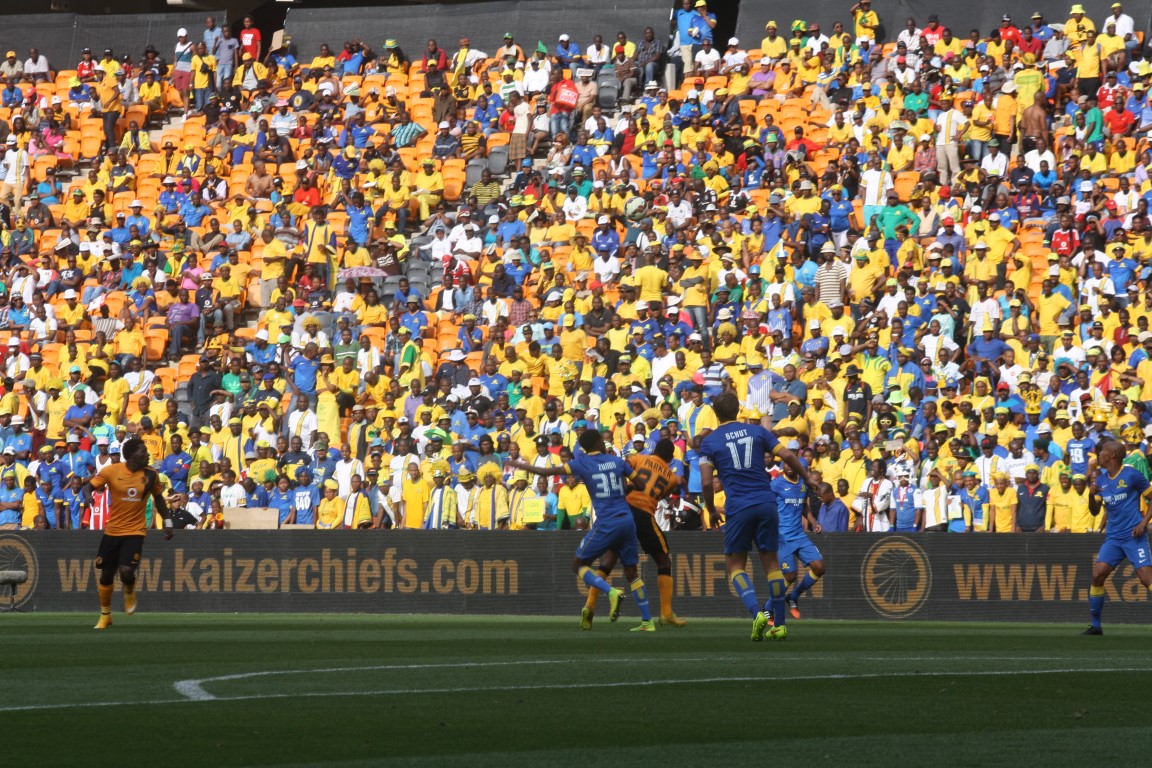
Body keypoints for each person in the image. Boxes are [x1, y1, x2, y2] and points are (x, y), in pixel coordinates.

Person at [512, 427, 656, 632]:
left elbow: (545, 472)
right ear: (598, 443)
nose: (604, 443)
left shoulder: (581, 463)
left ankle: (611, 592)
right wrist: (624, 489)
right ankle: (647, 621)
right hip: (627, 521)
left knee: (578, 563)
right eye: (601, 441)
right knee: (632, 571)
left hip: (607, 522)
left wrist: (518, 464)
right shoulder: (616, 461)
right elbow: (641, 484)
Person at [699, 391, 811, 640]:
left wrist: (711, 510)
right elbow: (789, 455)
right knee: (772, 565)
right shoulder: (758, 431)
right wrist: (807, 479)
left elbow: (706, 483)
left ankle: (756, 613)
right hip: (766, 503)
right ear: (738, 410)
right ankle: (779, 625)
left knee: (735, 566)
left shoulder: (710, 441)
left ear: (715, 414)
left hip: (739, 506)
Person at [580, 438, 685, 628]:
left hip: (622, 511)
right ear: (671, 458)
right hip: (644, 515)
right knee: (663, 561)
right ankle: (666, 613)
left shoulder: (638, 458)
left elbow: (620, 470)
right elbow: (661, 495)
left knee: (608, 560)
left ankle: (590, 605)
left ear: (653, 450)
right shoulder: (671, 477)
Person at [83, 436, 173, 630]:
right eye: (143, 452)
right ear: (132, 455)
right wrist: (88, 497)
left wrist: (167, 521)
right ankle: (105, 615)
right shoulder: (111, 471)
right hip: (112, 530)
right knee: (106, 575)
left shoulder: (151, 475)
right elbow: (88, 487)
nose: (147, 455)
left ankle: (129, 588)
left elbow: (159, 498)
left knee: (126, 572)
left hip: (135, 531)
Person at [1083, 440, 1152, 635]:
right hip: (1113, 538)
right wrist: (1091, 495)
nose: (1099, 454)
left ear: (1112, 455)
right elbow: (1095, 511)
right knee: (1097, 575)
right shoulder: (1101, 480)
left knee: (1146, 579)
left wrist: (1143, 523)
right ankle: (1096, 626)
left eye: (1103, 451)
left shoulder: (1131, 475)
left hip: (1133, 536)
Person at [772, 460, 826, 620]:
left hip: (799, 535)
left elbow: (803, 506)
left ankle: (793, 596)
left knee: (819, 568)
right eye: (785, 464)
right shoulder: (775, 484)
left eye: (791, 464)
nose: (788, 466)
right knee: (790, 575)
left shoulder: (803, 484)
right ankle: (768, 607)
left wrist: (814, 522)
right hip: (782, 537)